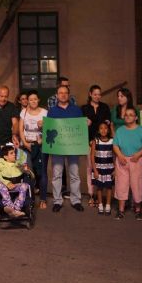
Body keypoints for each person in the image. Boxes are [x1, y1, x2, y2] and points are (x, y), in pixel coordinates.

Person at [48, 84, 85, 213]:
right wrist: (43, 124)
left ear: (68, 95)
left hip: (73, 147)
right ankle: (57, 201)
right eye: (60, 93)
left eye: (65, 93)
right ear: (57, 95)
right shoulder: (52, 111)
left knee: (74, 174)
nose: (63, 95)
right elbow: (49, 129)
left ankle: (76, 200)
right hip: (58, 148)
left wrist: (86, 123)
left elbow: (80, 127)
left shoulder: (76, 110)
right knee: (56, 175)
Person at [113, 108, 142, 220]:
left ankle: (138, 210)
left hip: (137, 160)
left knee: (137, 184)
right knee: (121, 184)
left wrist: (138, 155)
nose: (128, 116)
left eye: (131, 115)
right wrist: (120, 155)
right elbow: (115, 145)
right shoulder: (120, 130)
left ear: (136, 117)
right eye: (126, 115)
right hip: (122, 160)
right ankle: (121, 210)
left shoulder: (141, 130)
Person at [81, 85, 111, 206]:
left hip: (103, 143)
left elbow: (107, 124)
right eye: (95, 94)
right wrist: (83, 122)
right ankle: (91, 195)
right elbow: (79, 126)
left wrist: (107, 123)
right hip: (88, 142)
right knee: (90, 168)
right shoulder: (84, 108)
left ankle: (101, 195)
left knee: (103, 168)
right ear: (90, 94)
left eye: (99, 94)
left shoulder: (105, 107)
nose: (97, 96)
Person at [18, 90, 47, 209]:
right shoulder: (23, 112)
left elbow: (50, 130)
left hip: (40, 146)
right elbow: (20, 129)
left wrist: (44, 126)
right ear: (27, 101)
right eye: (30, 99)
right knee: (26, 171)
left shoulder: (45, 112)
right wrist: (25, 143)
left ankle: (43, 199)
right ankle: (29, 199)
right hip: (25, 146)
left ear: (38, 100)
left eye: (35, 99)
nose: (33, 101)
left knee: (41, 173)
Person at [0, 145, 30, 218]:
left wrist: (27, 170)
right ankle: (9, 206)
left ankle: (16, 209)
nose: (14, 154)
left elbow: (28, 173)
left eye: (14, 152)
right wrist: (7, 183)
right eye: (11, 153)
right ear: (5, 157)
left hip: (16, 185)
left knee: (25, 185)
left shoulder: (18, 163)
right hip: (5, 186)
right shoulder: (0, 163)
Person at [90, 122, 115, 215]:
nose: (103, 130)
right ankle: (100, 205)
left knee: (109, 187)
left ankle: (108, 205)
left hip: (109, 167)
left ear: (108, 130)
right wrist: (95, 170)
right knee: (99, 187)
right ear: (98, 130)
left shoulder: (112, 141)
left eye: (105, 128)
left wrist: (115, 169)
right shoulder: (95, 141)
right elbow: (92, 156)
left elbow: (115, 156)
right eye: (101, 128)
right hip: (98, 168)